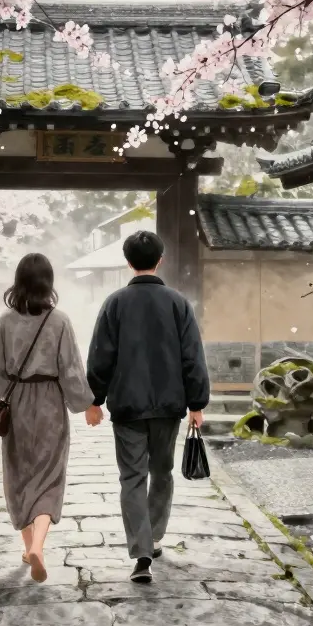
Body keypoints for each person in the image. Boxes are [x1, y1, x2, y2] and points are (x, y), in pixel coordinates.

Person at [86, 230, 210, 584]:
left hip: (127, 406)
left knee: (131, 478)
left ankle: (141, 551)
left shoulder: (114, 303)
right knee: (162, 472)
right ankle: (153, 537)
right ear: (160, 259)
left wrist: (95, 399)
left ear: (127, 261)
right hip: (169, 405)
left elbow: (100, 356)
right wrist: (196, 403)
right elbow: (192, 357)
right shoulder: (177, 303)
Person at [0, 252, 94, 583]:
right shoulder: (59, 321)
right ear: (49, 283)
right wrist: (87, 403)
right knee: (49, 477)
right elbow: (71, 370)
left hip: (16, 405)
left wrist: (0, 395)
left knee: (18, 475)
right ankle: (40, 547)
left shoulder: (5, 321)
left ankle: (29, 546)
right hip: (50, 405)